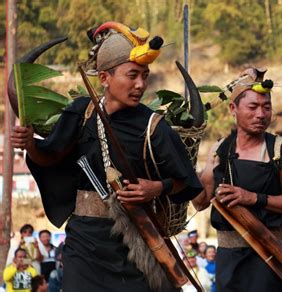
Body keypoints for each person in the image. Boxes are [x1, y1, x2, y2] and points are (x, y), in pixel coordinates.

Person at [11, 22, 202, 291]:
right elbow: (50, 157)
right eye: (132, 75)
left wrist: (156, 187)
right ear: (104, 78)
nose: (140, 84)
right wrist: (31, 145)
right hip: (83, 243)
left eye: (144, 76)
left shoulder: (154, 127)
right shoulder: (82, 112)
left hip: (135, 242)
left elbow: (187, 182)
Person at [192, 68, 282, 291]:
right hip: (228, 261)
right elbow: (200, 202)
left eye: (266, 107)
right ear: (233, 108)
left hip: (271, 258)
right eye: (253, 107)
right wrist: (186, 164)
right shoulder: (219, 149)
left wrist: (253, 198)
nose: (261, 114)